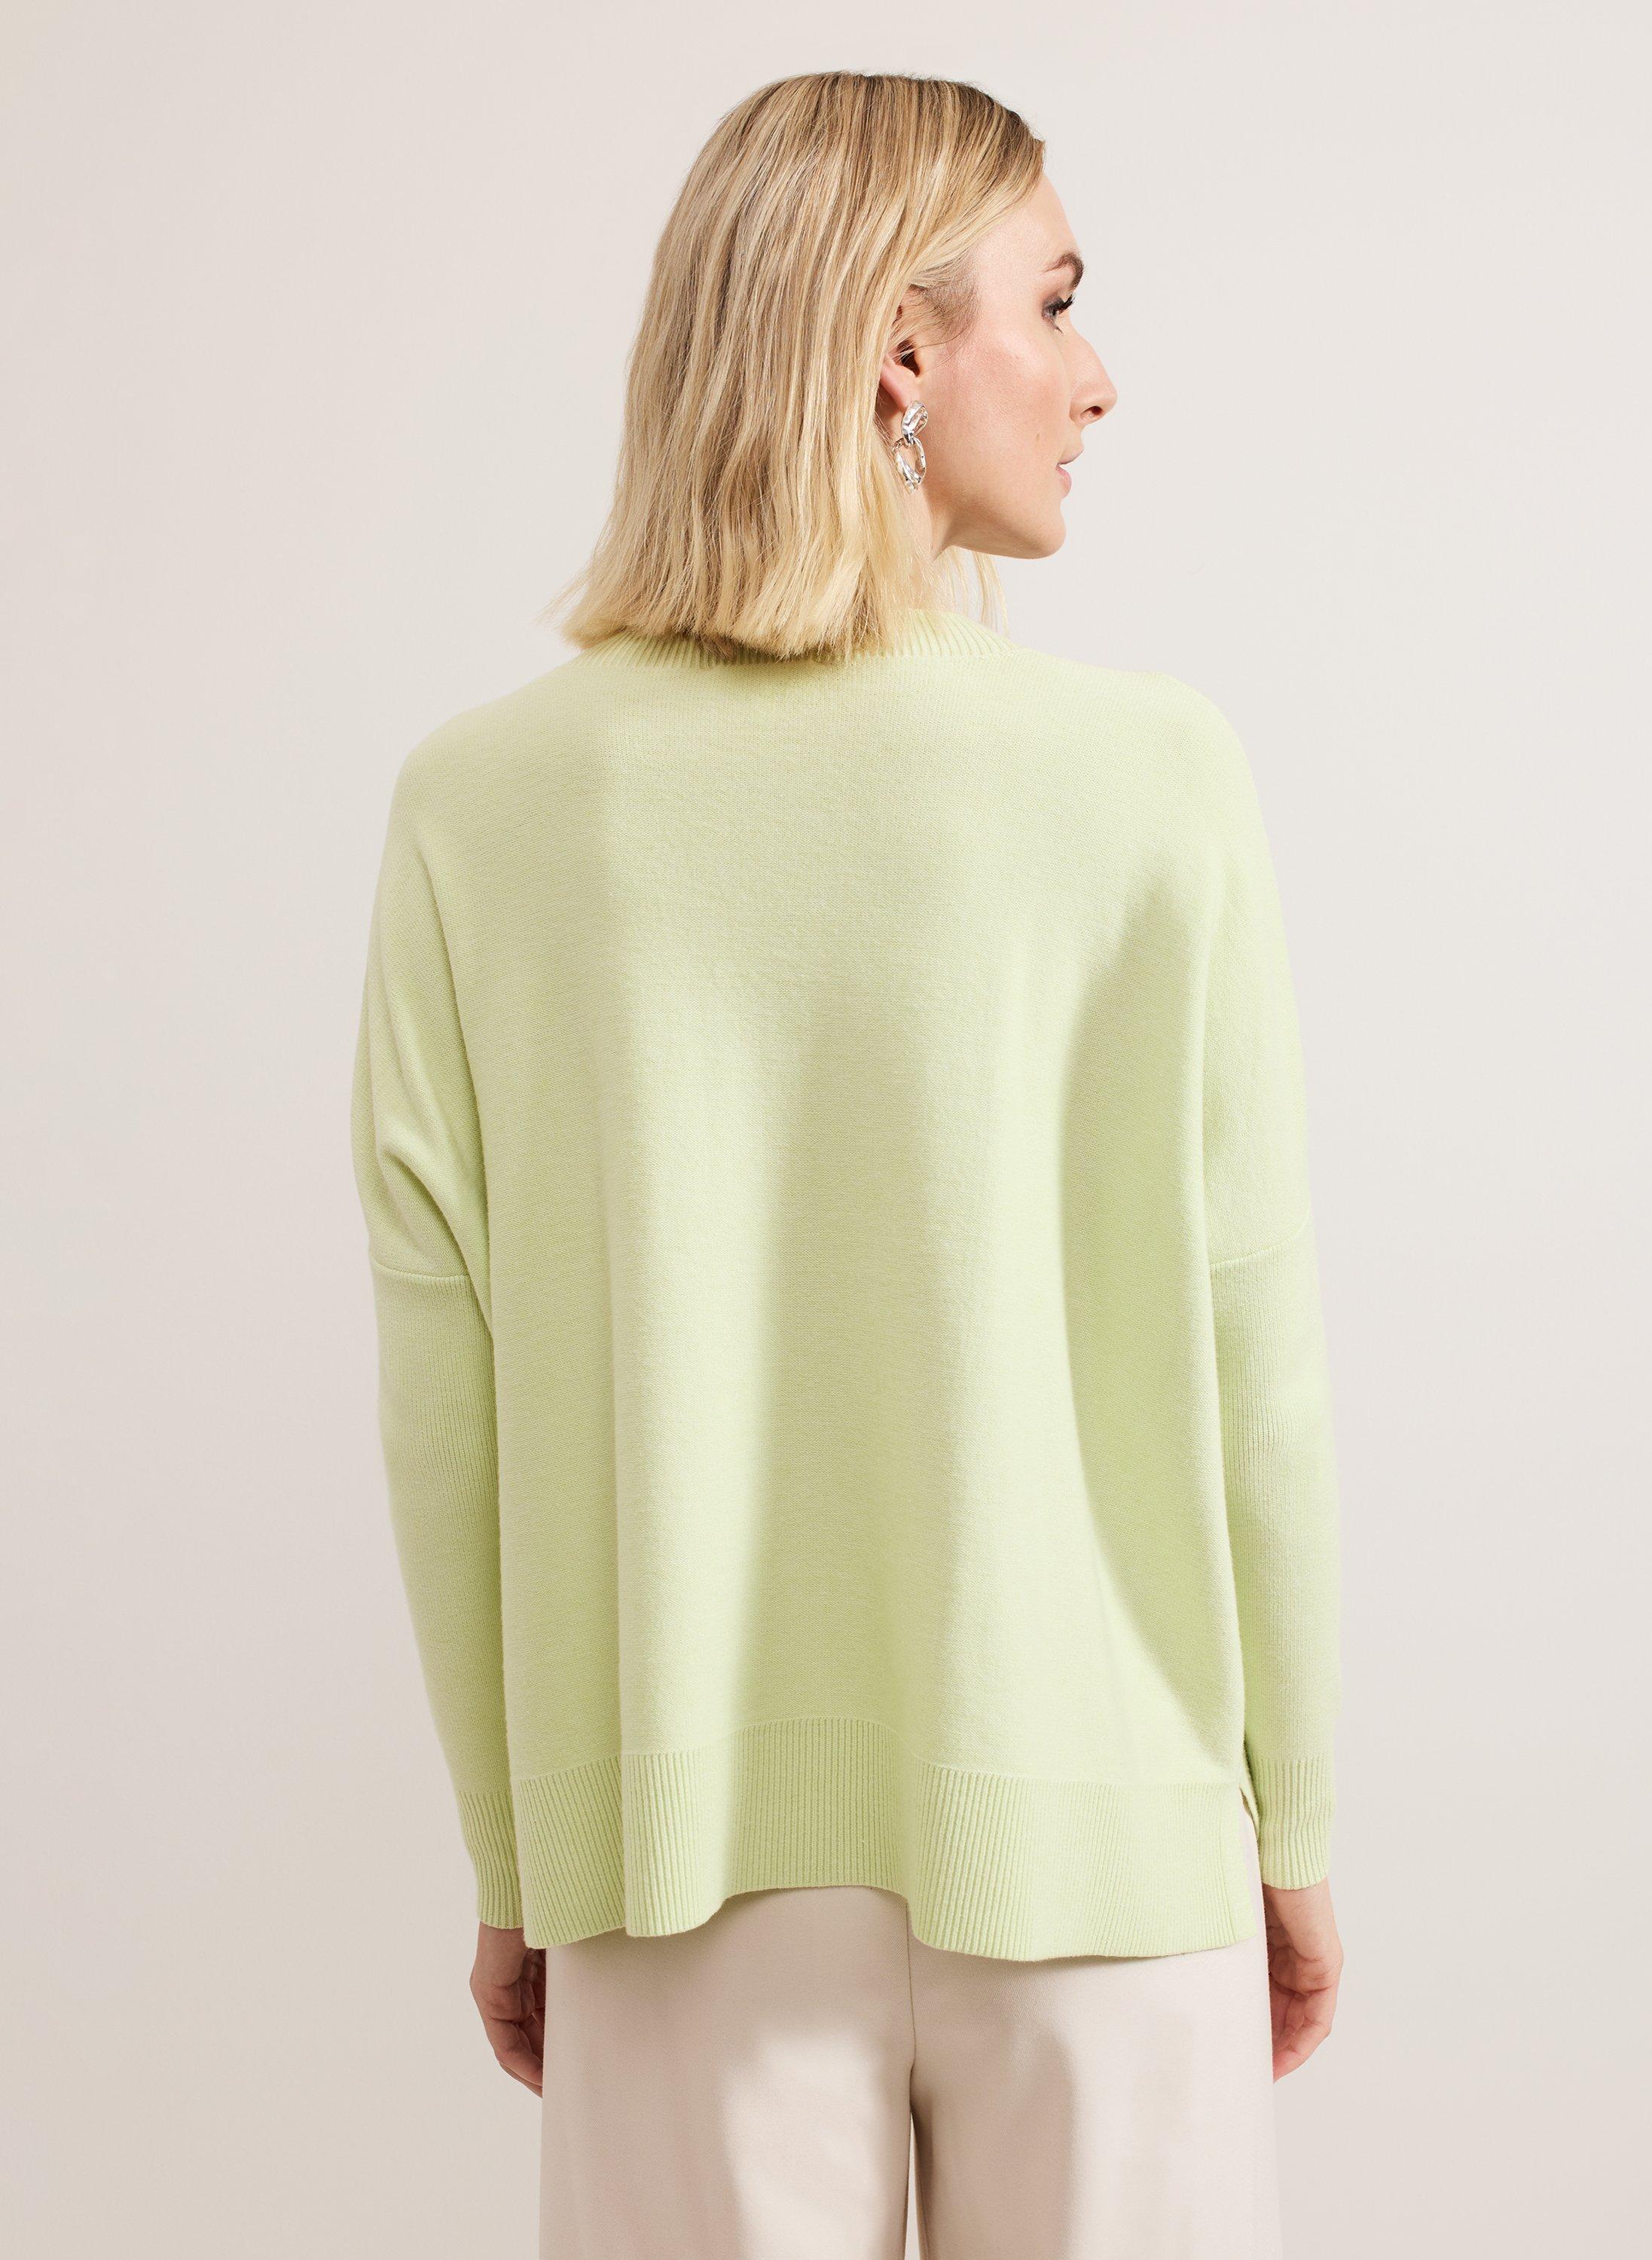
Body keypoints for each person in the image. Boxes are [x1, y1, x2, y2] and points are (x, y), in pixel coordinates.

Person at [350, 68, 1344, 2260]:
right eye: (1053, 304)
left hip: (674, 1871)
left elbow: (447, 1397)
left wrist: (521, 1855)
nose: (1096, 375)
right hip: (1110, 1859)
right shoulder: (1152, 779)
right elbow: (1252, 1350)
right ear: (900, 352)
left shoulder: (485, 808)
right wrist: (1294, 1823)